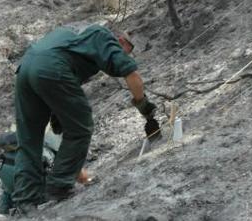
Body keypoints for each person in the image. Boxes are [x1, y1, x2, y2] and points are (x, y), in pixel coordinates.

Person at [11, 24, 160, 214]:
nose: (125, 57)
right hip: (51, 67)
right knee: (82, 126)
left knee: (29, 138)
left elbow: (65, 124)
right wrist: (143, 106)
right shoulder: (102, 35)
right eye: (126, 52)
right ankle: (58, 186)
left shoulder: (75, 41)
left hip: (25, 68)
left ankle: (25, 202)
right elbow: (132, 75)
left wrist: (78, 174)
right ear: (121, 41)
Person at [0, 130, 91, 217]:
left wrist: (2, 211)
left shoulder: (1, 162)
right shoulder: (34, 151)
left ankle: (2, 215)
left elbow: (7, 191)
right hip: (42, 195)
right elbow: (57, 167)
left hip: (20, 200)